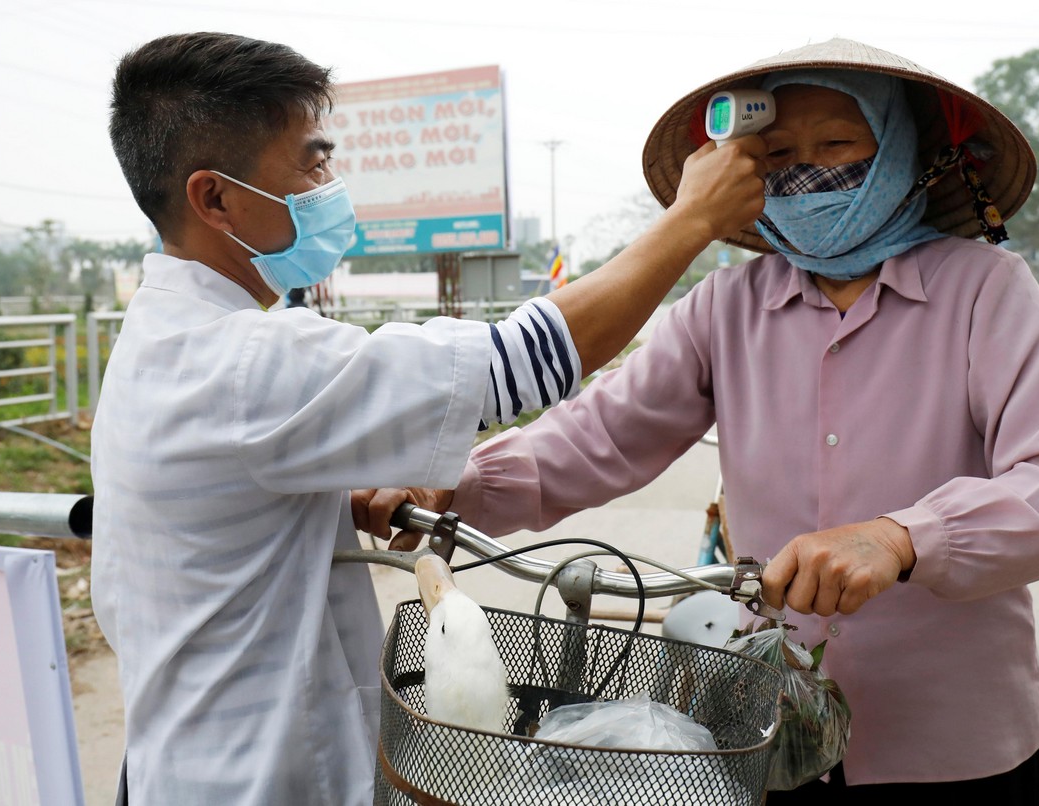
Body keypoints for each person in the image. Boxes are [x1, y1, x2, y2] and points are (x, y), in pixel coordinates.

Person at [361, 39, 1039, 803]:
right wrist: (454, 485)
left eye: (837, 145)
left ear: (897, 151)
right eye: (780, 152)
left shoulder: (986, 290)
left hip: (952, 734)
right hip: (766, 721)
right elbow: (602, 432)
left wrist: (901, 537)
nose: (808, 169)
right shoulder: (723, 307)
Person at [90, 31, 768, 805]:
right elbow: (523, 361)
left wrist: (318, 502)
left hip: (177, 763)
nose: (330, 182)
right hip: (260, 778)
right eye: (311, 161)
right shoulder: (246, 363)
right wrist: (690, 221)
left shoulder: (160, 338)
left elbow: (213, 504)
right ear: (214, 198)